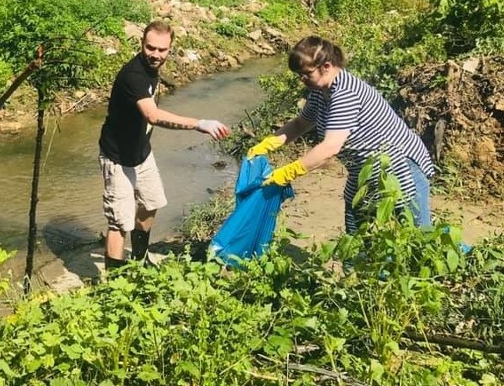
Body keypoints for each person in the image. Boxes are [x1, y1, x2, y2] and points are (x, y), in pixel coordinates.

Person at [248, 36, 433, 234]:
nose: (302, 80)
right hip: (363, 172)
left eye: (306, 74)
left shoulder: (345, 93)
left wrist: (287, 173)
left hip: (399, 168)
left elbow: (330, 147)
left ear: (326, 66)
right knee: (356, 233)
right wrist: (268, 144)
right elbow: (300, 123)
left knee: (418, 237)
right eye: (298, 75)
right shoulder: (320, 91)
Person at [99, 20, 231, 270]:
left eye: (162, 50)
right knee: (120, 222)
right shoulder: (133, 75)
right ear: (141, 44)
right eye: (151, 48)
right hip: (117, 158)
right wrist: (198, 123)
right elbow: (153, 115)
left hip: (141, 153)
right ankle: (114, 281)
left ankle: (140, 259)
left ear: (170, 49)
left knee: (151, 203)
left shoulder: (152, 70)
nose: (155, 55)